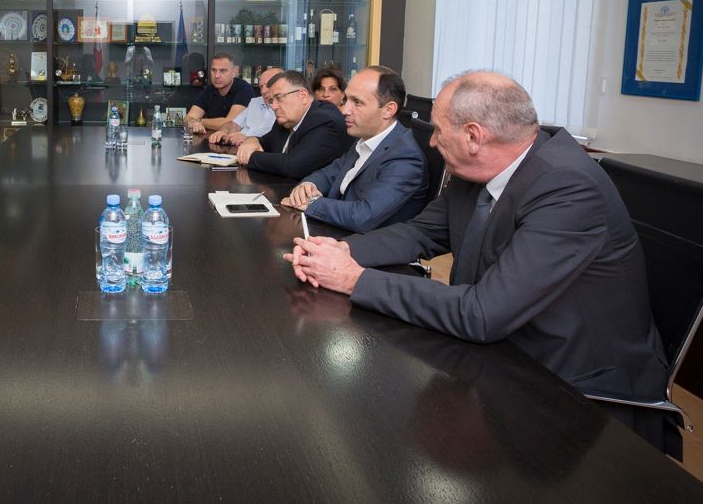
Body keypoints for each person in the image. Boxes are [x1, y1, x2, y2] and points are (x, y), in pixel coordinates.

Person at [284, 70, 670, 451]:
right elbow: (420, 232)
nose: (431, 142)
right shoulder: (484, 167)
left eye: (438, 130)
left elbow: (483, 312)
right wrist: (339, 251)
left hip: (570, 389)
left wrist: (354, 279)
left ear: (473, 136)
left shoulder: (567, 187)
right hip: (499, 347)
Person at [283, 67, 429, 232]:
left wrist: (310, 202)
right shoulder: (365, 137)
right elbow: (329, 173)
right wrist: (307, 186)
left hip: (364, 243)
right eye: (346, 100)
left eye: (357, 102)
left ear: (388, 110)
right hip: (336, 231)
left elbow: (362, 215)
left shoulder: (405, 157)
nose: (344, 110)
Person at [235, 70, 352, 179]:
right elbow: (265, 141)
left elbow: (293, 166)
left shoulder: (325, 120)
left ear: (303, 96)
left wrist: (250, 156)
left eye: (279, 98)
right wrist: (252, 141)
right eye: (271, 101)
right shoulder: (286, 119)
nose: (274, 106)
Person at [208, 66, 281, 146]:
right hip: (238, 148)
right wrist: (224, 132)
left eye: (268, 85)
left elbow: (276, 141)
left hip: (260, 149)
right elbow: (234, 124)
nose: (263, 91)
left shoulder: (284, 109)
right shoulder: (255, 102)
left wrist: (247, 138)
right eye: (261, 86)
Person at [184, 53, 253, 135]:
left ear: (234, 72)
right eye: (214, 70)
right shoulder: (208, 91)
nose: (217, 75)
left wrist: (200, 121)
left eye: (223, 71)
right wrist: (193, 122)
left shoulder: (244, 89)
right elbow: (188, 118)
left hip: (239, 140)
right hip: (211, 139)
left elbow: (230, 124)